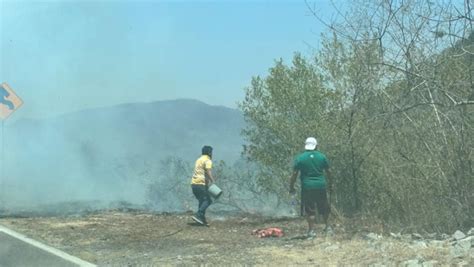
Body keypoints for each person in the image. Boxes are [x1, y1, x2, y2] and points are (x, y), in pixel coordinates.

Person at [289, 137, 333, 238]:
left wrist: (291, 186)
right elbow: (329, 172)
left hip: (307, 187)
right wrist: (331, 183)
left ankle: (311, 231)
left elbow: (294, 174)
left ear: (306, 146)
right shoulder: (322, 157)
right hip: (320, 186)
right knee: (324, 207)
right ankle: (328, 227)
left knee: (310, 209)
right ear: (316, 146)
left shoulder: (300, 158)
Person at [191, 145, 216, 225]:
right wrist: (213, 181)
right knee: (208, 200)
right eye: (211, 152)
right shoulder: (207, 160)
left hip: (194, 184)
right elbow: (208, 172)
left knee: (202, 201)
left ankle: (201, 219)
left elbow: (201, 171)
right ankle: (199, 214)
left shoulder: (199, 160)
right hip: (200, 184)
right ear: (209, 153)